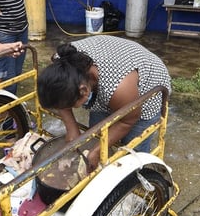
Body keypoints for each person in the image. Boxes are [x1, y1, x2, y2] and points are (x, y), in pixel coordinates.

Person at [36, 35, 171, 168]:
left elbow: (128, 120)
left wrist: (96, 151)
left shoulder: (118, 87)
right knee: (98, 136)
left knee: (133, 151)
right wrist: (72, 129)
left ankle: (139, 178)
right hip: (113, 74)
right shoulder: (62, 62)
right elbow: (60, 100)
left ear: (84, 91)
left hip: (149, 84)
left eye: (70, 105)